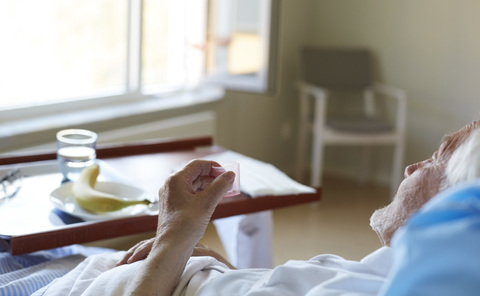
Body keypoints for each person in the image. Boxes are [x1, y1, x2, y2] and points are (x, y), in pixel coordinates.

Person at [39, 120, 480, 296]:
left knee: (36, 263)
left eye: (436, 158)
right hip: (137, 272)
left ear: (455, 203)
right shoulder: (385, 273)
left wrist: (175, 232)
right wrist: (217, 268)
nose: (410, 166)